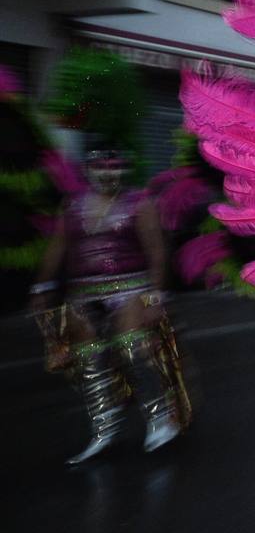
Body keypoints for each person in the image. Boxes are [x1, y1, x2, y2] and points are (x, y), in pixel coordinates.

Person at [29, 150, 185, 463]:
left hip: (131, 288)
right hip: (83, 293)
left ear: (124, 170)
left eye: (114, 167)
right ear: (88, 170)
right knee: (88, 361)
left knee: (132, 349)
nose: (107, 173)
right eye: (100, 167)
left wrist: (155, 297)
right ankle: (104, 428)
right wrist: (42, 286)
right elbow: (58, 247)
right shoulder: (73, 206)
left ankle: (160, 419)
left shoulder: (139, 203)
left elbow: (156, 252)